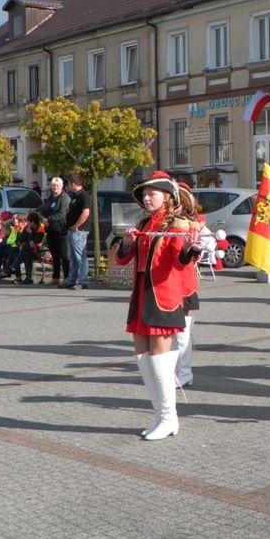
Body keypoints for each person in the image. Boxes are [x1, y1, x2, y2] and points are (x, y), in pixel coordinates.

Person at [115, 171, 201, 441]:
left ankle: (169, 417)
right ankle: (159, 414)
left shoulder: (177, 224)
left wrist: (192, 249)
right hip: (141, 294)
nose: (146, 197)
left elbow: (180, 258)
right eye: (144, 194)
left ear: (167, 197)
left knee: (159, 357)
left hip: (163, 295)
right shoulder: (144, 222)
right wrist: (127, 243)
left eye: (152, 193)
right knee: (142, 356)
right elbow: (122, 260)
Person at [173, 182, 213, 388]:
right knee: (168, 332)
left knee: (182, 331)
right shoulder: (162, 222)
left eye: (176, 201)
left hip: (184, 283)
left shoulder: (193, 223)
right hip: (163, 284)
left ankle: (184, 372)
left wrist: (198, 245)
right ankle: (172, 369)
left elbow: (210, 244)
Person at [39, 177, 71, 285]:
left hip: (61, 230)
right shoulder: (50, 198)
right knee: (54, 254)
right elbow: (43, 209)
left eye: (57, 186)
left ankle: (67, 278)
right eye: (53, 186)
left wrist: (49, 220)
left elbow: (62, 213)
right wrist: (41, 217)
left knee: (64, 255)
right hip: (50, 230)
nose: (55, 187)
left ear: (62, 186)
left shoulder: (65, 198)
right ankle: (55, 277)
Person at [63, 174, 91, 290]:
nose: (68, 186)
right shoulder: (75, 196)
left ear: (73, 184)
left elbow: (85, 213)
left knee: (80, 257)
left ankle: (83, 281)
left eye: (68, 184)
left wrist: (76, 225)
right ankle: (71, 279)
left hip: (79, 230)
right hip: (72, 229)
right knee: (73, 257)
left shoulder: (84, 195)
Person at [11, 212, 47, 284]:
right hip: (30, 249)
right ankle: (28, 278)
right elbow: (21, 239)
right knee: (23, 251)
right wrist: (27, 232)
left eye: (29, 222)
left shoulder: (41, 227)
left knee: (26, 249)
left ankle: (14, 267)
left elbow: (37, 240)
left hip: (40, 250)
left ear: (33, 222)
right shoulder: (29, 227)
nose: (28, 223)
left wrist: (30, 233)